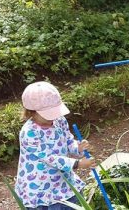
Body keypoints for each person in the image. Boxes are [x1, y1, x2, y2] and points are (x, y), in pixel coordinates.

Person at [15, 81, 96, 209]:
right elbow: (49, 158)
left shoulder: (59, 120)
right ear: (31, 112)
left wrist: (78, 147)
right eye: (48, 114)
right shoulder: (29, 133)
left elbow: (68, 140)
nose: (53, 117)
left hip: (61, 178)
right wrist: (78, 164)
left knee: (73, 203)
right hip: (40, 185)